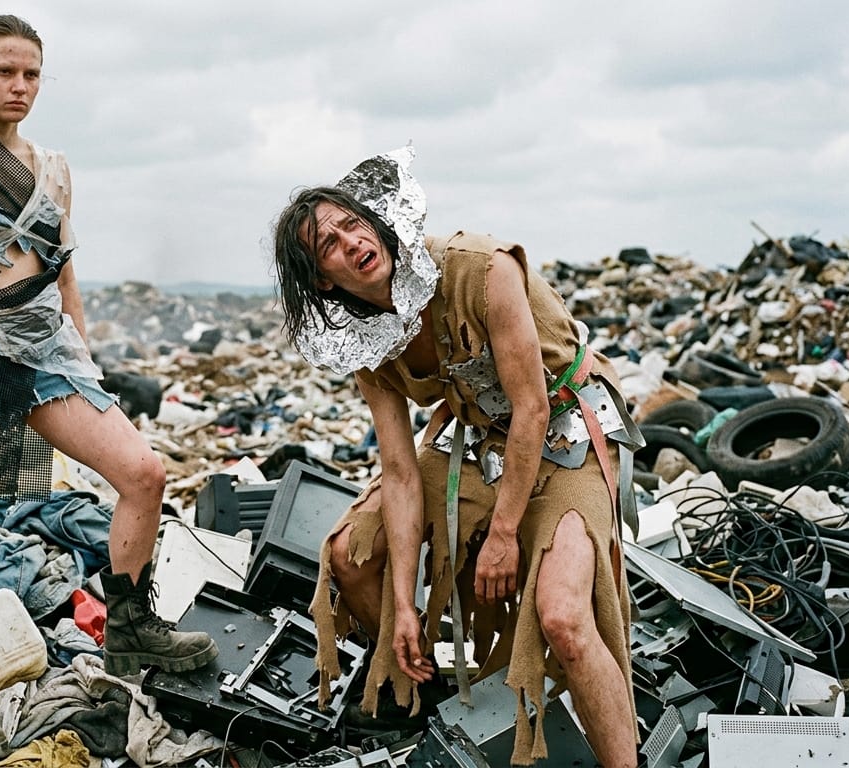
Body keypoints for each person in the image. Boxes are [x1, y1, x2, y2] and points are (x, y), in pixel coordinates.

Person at [0, 15, 216, 762]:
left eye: (32, 73)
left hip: (44, 357)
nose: (19, 87)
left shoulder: (55, 166)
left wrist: (85, 358)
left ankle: (131, 627)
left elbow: (61, 269)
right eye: (4, 71)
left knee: (144, 472)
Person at [270, 148, 641, 767]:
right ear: (323, 280)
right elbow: (398, 469)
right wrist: (403, 607)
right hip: (483, 439)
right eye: (329, 245)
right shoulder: (360, 341)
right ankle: (429, 712)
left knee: (565, 620)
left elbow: (532, 409)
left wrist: (502, 536)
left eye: (352, 223)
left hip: (567, 428)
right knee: (350, 554)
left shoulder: (478, 269)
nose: (351, 241)